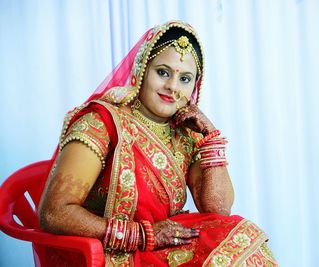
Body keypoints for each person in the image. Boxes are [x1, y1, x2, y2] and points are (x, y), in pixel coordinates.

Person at [38, 20, 278, 266]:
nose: (172, 87)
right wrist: (141, 235)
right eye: (163, 72)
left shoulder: (187, 133)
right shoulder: (102, 124)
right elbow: (54, 212)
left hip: (161, 245)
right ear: (142, 68)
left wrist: (211, 137)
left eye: (185, 79)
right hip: (106, 250)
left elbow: (218, 211)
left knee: (243, 241)